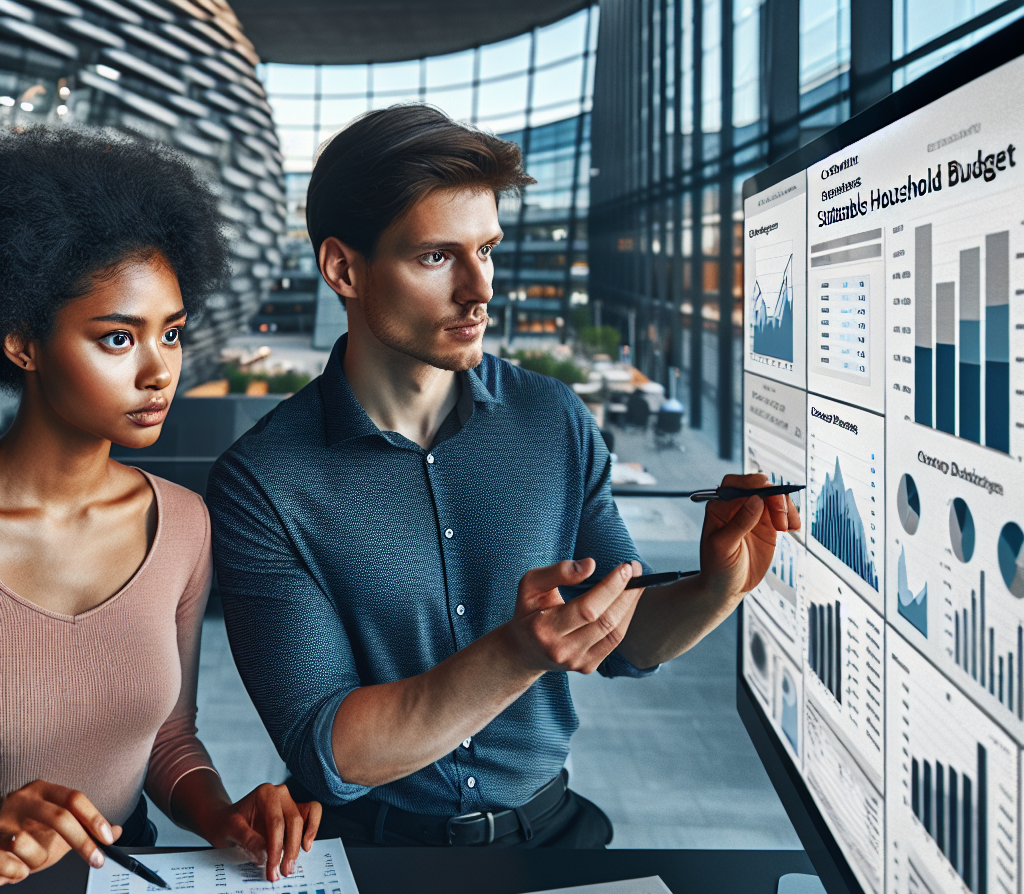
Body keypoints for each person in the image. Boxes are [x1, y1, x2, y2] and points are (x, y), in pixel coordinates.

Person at [207, 105, 800, 848]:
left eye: (487, 249)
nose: (479, 289)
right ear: (343, 269)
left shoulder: (553, 417)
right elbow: (330, 751)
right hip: (371, 854)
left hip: (551, 833)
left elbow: (620, 635)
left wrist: (717, 587)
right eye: (436, 257)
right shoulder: (262, 482)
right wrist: (516, 653)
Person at [0, 128, 321, 885]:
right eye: (118, 339)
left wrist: (223, 816)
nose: (160, 372)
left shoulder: (180, 525)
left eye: (171, 333)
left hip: (126, 885)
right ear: (23, 343)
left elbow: (168, 740)